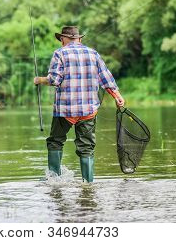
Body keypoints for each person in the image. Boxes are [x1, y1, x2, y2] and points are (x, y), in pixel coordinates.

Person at [34, 26, 125, 182]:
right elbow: (106, 79)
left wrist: (39, 80)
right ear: (79, 38)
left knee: (55, 142)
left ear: (63, 39)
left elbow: (54, 80)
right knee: (87, 147)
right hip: (88, 111)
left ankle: (54, 182)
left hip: (65, 111)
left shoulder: (59, 53)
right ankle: (88, 184)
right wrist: (117, 96)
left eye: (61, 39)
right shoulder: (93, 53)